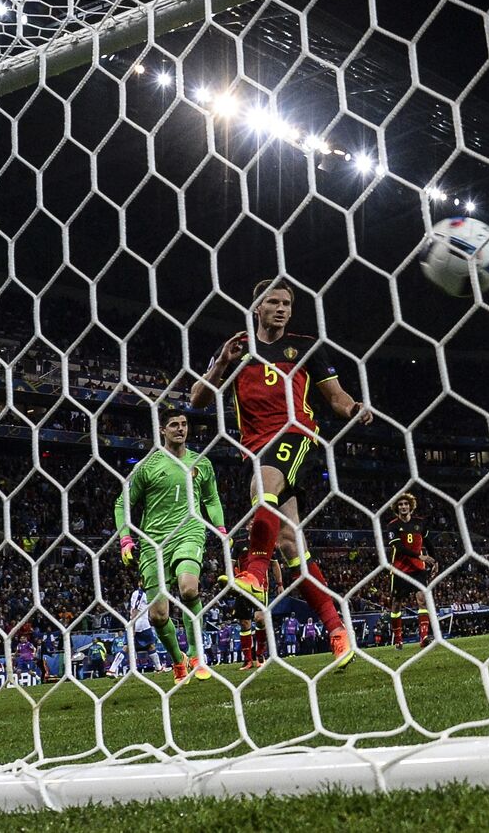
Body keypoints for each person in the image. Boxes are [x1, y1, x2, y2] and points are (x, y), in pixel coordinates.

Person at [190, 279, 367, 666]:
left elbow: (336, 398)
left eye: (287, 302)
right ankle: (338, 632)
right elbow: (197, 399)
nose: (282, 308)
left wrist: (355, 409)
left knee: (263, 487)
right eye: (273, 302)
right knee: (290, 544)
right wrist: (221, 362)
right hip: (254, 447)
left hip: (296, 434)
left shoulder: (305, 348)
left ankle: (253, 574)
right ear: (257, 308)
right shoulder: (237, 351)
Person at [114, 408, 226, 682]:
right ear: (162, 430)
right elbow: (122, 504)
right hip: (154, 542)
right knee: (158, 615)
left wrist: (221, 528)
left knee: (189, 588)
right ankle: (178, 660)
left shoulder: (202, 463)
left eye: (184, 424)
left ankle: (197, 654)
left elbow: (211, 499)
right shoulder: (147, 466)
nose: (180, 429)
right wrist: (126, 539)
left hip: (190, 530)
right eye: (174, 425)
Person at [385, 493, 437, 650]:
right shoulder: (392, 525)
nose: (403, 507)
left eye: (406, 504)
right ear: (397, 508)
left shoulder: (420, 523)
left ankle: (424, 637)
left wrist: (434, 560)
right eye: (400, 504)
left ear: (410, 506)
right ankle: (398, 639)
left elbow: (428, 542)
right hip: (400, 569)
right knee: (396, 604)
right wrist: (420, 555)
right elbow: (399, 548)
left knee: (422, 599)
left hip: (418, 569)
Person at [126, 582, 164, 674]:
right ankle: (158, 667)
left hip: (138, 624)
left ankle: (113, 669)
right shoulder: (139, 594)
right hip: (141, 625)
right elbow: (134, 610)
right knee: (150, 645)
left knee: (128, 647)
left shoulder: (142, 594)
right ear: (139, 583)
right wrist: (133, 627)